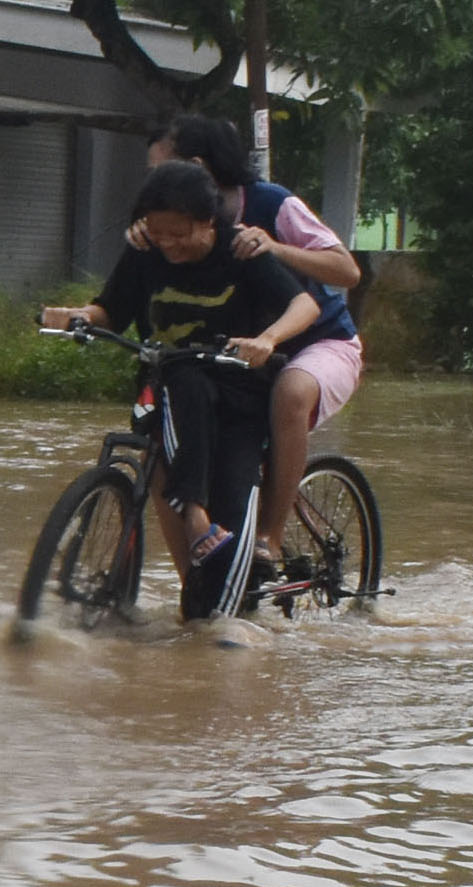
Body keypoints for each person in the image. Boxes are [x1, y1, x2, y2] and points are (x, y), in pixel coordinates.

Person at [46, 161, 323, 604]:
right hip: (171, 391)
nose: (168, 245)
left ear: (208, 221)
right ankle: (193, 534)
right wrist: (76, 315)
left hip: (237, 401)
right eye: (159, 234)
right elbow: (109, 309)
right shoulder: (144, 250)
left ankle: (218, 566)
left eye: (179, 234)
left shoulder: (241, 251)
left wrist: (267, 339)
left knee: (224, 599)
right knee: (178, 383)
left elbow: (304, 305)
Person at [134, 114, 364, 573]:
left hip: (317, 343)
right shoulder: (177, 223)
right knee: (167, 446)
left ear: (196, 166)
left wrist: (275, 247)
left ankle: (270, 540)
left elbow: (347, 271)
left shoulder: (270, 203)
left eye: (162, 170)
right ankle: (193, 587)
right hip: (235, 353)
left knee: (291, 392)